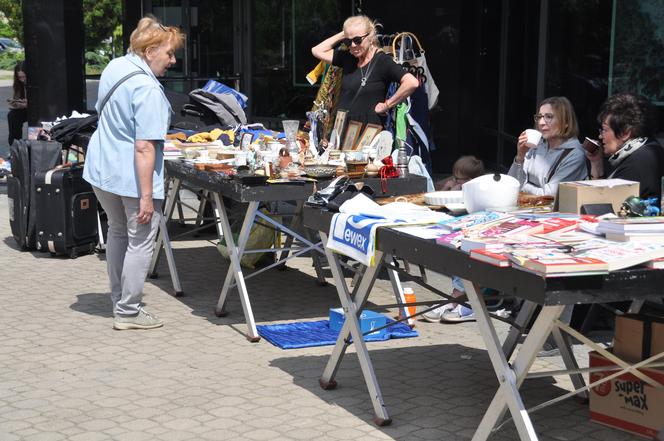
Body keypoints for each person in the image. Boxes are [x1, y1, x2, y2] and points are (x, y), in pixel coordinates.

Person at [83, 16, 184, 330]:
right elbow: (144, 148)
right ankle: (128, 311)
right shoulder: (148, 90)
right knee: (140, 239)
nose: (173, 60)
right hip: (130, 175)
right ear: (150, 50)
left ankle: (120, 301)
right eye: (169, 53)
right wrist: (146, 197)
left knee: (117, 231)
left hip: (102, 169)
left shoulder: (116, 66)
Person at [311, 15, 419, 129]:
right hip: (341, 130)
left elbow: (412, 82)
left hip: (368, 134)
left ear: (371, 37)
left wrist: (387, 105)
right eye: (348, 41)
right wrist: (345, 33)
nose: (353, 45)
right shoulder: (348, 58)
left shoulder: (382, 61)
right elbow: (317, 50)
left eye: (357, 40)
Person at [586, 93, 664, 199]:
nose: (600, 136)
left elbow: (600, 203)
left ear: (625, 133)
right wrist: (596, 164)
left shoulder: (639, 162)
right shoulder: (646, 148)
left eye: (605, 129)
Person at [508, 96, 588, 196]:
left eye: (548, 117)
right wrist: (520, 156)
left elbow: (548, 195)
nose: (541, 123)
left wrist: (523, 186)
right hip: (526, 207)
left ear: (566, 122)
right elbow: (511, 183)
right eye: (539, 117)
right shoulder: (537, 143)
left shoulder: (575, 154)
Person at [7, 61, 27, 147]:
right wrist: (16, 104)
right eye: (20, 77)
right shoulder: (18, 84)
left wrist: (26, 104)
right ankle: (15, 146)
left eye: (24, 77)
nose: (23, 80)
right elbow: (18, 99)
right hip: (25, 108)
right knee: (12, 115)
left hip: (39, 110)